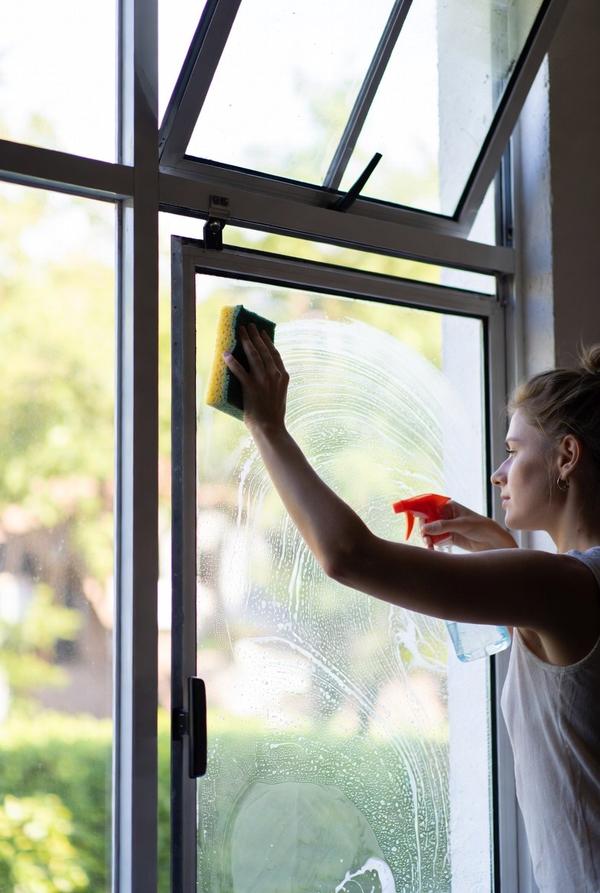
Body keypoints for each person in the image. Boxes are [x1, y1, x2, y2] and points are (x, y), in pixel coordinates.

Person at [223, 324, 600, 893]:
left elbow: (349, 556)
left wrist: (267, 426)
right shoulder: (567, 586)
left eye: (514, 451)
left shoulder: (566, 585)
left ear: (567, 456)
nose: (499, 473)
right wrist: (501, 549)